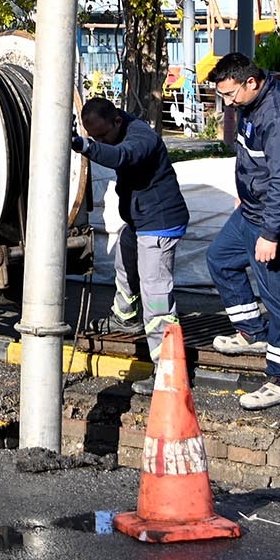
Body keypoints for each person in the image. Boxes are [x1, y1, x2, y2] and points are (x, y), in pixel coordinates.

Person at [205, 51, 280, 410]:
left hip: (275, 218)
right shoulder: (252, 105)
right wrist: (244, 196)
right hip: (252, 209)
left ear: (251, 82)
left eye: (230, 94)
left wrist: (271, 233)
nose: (227, 102)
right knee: (220, 259)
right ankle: (252, 332)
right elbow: (254, 161)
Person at [71, 96, 189, 365]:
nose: (101, 142)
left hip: (159, 225)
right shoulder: (116, 126)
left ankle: (166, 367)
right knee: (124, 258)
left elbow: (121, 157)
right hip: (141, 222)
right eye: (95, 137)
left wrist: (85, 146)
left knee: (156, 296)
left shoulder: (141, 138)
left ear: (117, 121)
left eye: (103, 135)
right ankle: (126, 317)